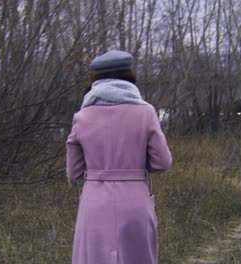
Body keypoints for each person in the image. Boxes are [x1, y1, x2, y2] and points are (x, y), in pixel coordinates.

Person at [66, 50, 172, 264]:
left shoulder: (82, 116)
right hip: (134, 201)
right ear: (130, 76)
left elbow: (74, 171)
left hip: (94, 203)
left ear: (96, 80)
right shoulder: (146, 113)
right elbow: (162, 163)